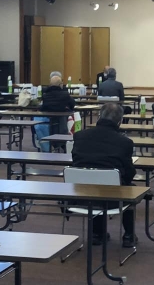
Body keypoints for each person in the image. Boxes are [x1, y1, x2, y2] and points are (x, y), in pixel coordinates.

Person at [71, 103, 136, 248]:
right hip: (113, 198)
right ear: (120, 121)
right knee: (130, 189)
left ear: (99, 116)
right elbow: (129, 173)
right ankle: (129, 236)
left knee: (95, 183)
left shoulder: (79, 136)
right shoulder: (124, 142)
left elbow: (76, 162)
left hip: (80, 194)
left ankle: (96, 233)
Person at [35, 74, 75, 152]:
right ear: (60, 84)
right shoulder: (65, 94)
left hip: (49, 119)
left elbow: (43, 107)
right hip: (62, 119)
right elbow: (72, 104)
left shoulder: (45, 95)